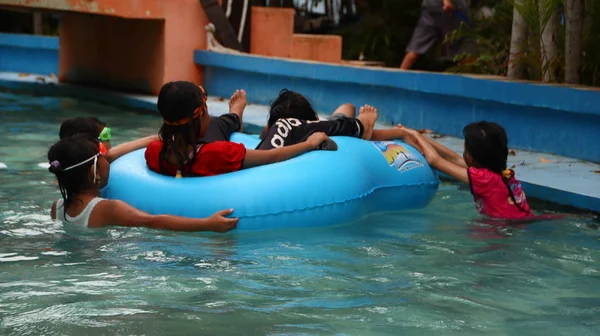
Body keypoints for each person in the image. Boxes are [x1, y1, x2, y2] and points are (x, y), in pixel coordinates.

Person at [48, 134, 238, 231]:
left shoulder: (56, 208)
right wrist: (207, 224)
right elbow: (154, 221)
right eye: (105, 157)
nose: (110, 160)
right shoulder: (109, 209)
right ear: (94, 171)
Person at [144, 81, 331, 177]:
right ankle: (235, 116)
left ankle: (235, 116)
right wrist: (309, 144)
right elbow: (272, 156)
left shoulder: (154, 152)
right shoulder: (218, 153)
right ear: (199, 112)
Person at [402, 121, 534, 219]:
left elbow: (434, 160)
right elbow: (453, 159)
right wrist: (419, 137)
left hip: (504, 230)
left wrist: (415, 135)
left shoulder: (484, 179)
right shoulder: (499, 173)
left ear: (470, 157)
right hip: (521, 223)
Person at [256, 89, 422, 151]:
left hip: (330, 123)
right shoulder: (291, 130)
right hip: (324, 124)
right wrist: (399, 132)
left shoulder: (309, 127)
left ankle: (362, 124)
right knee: (347, 110)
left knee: (347, 108)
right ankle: (362, 124)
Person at [400, 0, 469, 70]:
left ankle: (400, 73)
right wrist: (446, 1)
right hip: (450, 9)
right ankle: (467, 78)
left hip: (432, 8)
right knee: (466, 47)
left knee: (415, 47)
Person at [59, 117, 158, 163]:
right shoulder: (98, 162)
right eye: (105, 135)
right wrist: (156, 138)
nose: (109, 139)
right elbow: (109, 155)